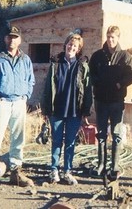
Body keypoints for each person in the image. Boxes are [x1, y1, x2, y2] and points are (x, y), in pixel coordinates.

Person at [41, 33, 92, 185]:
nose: (71, 47)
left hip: (75, 110)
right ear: (65, 45)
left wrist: (86, 110)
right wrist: (45, 110)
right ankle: (54, 169)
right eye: (69, 45)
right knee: (56, 141)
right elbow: (47, 88)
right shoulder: (56, 64)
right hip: (56, 109)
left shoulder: (83, 66)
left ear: (78, 49)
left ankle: (67, 171)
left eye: (74, 46)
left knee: (70, 142)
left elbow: (88, 90)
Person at [88, 26, 132, 179]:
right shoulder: (97, 56)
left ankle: (114, 166)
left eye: (113, 37)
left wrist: (120, 84)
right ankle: (101, 164)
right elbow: (90, 74)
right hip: (101, 101)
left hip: (117, 101)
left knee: (116, 134)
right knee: (101, 134)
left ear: (118, 38)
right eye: (108, 37)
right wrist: (98, 83)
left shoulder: (125, 56)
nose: (110, 40)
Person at [0, 26, 35, 187]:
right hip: (2, 102)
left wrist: (25, 96)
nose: (12, 40)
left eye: (15, 37)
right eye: (9, 37)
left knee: (18, 139)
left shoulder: (25, 59)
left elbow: (31, 80)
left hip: (19, 103)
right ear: (5, 39)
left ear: (20, 40)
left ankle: (15, 172)